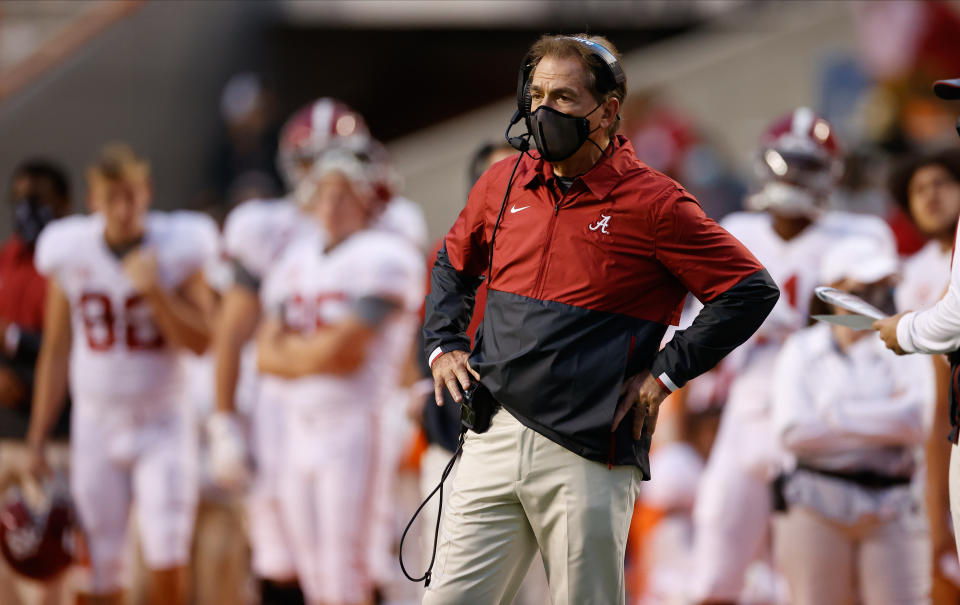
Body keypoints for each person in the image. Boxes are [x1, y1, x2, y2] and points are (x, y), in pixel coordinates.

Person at [421, 34, 779, 604]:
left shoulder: (656, 203)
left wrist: (665, 375)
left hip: (587, 451)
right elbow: (451, 261)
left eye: (562, 97)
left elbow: (748, 290)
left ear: (608, 111)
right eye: (535, 94)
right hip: (490, 433)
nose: (543, 111)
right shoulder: (504, 179)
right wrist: (443, 344)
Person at [208, 97, 426, 605]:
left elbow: (362, 346)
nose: (326, 187)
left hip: (355, 410)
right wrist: (222, 418)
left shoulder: (388, 234)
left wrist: (397, 394)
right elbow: (240, 332)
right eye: (314, 165)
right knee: (283, 558)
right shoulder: (280, 238)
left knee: (356, 558)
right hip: (278, 414)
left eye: (341, 166)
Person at [688, 108, 895, 605]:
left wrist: (795, 326)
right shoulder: (737, 229)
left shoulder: (862, 235)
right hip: (747, 407)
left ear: (831, 174)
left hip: (822, 410)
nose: (796, 178)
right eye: (788, 164)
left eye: (808, 166)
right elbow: (697, 332)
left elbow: (871, 323)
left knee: (804, 576)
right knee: (716, 556)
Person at [25, 144, 218, 605]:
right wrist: (37, 436)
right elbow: (55, 349)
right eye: (111, 198)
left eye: (131, 196)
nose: (122, 208)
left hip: (163, 423)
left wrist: (155, 293)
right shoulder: (70, 252)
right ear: (93, 201)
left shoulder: (178, 247)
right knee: (98, 569)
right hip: (95, 423)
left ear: (147, 193)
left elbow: (203, 340)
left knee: (167, 554)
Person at [257, 142, 424, 605]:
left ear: (367, 198)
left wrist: (292, 354)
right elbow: (262, 356)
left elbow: (345, 354)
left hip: (354, 424)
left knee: (346, 565)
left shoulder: (384, 255)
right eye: (324, 192)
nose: (331, 204)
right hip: (297, 426)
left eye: (344, 193)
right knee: (310, 568)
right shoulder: (295, 259)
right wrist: (308, 355)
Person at [772, 236, 934, 605]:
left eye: (881, 287)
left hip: (893, 504)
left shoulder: (906, 346)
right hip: (815, 504)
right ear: (833, 292)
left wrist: (834, 413)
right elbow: (793, 432)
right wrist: (883, 424)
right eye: (862, 288)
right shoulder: (801, 349)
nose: (874, 298)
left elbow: (916, 422)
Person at [0, 159, 73, 605]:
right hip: (4, 430)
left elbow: (66, 345)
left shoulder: (75, 262)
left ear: (63, 204)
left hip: (56, 431)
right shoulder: (5, 260)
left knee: (49, 566)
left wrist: (12, 339)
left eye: (40, 198)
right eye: (21, 198)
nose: (28, 207)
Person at [888, 148, 960, 599]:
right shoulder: (900, 276)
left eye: (940, 184)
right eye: (918, 190)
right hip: (907, 444)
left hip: (949, 425)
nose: (930, 196)